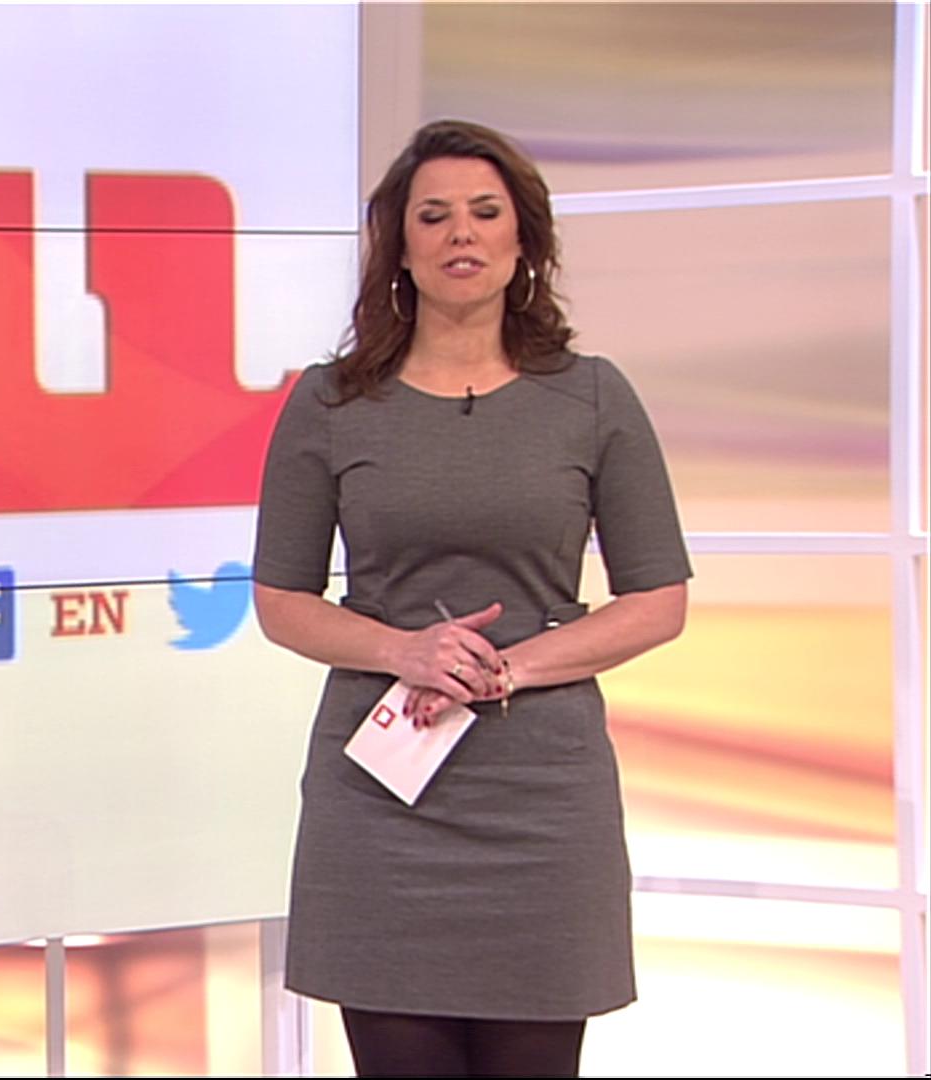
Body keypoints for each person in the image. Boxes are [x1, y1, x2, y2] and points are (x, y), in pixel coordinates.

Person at [251, 119, 691, 1078]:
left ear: (523, 239)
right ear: (400, 247)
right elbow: (282, 599)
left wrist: (507, 670)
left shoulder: (592, 398)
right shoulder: (330, 403)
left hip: (541, 802)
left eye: (486, 213)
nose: (461, 233)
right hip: (383, 798)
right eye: (435, 215)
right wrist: (404, 651)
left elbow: (658, 599)